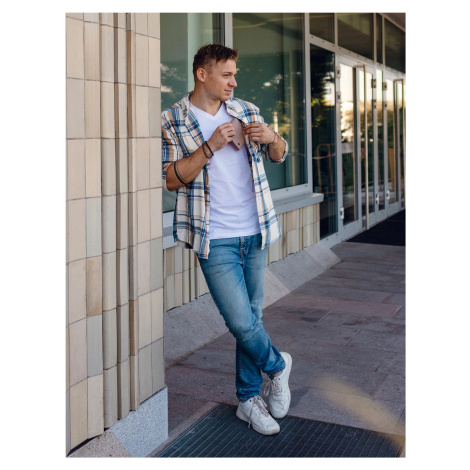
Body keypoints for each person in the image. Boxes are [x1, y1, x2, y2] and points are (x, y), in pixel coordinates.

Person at [161, 44, 292, 436]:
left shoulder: (246, 110)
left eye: (235, 74)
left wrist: (272, 137)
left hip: (254, 229)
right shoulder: (173, 119)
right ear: (202, 74)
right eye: (227, 74)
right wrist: (211, 146)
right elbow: (171, 179)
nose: (234, 82)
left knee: (251, 319)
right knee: (239, 320)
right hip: (214, 236)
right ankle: (278, 366)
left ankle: (248, 400)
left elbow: (280, 154)